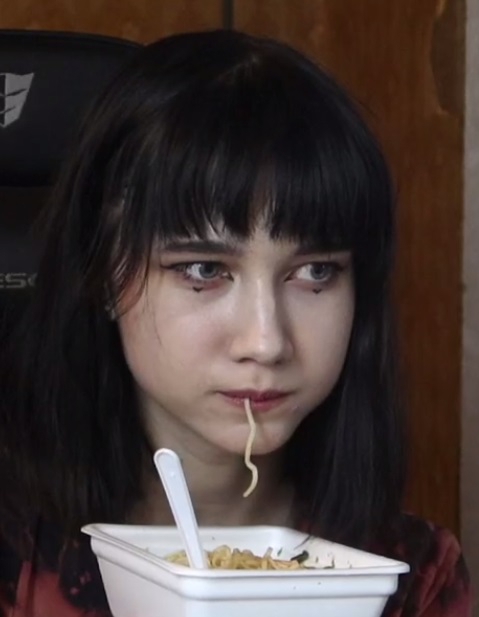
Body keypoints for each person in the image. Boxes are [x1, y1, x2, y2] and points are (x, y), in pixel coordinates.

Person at [0, 29, 471, 617]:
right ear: (102, 274)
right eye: (204, 269)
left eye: (315, 272)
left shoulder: (410, 575)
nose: (266, 342)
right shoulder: (17, 554)